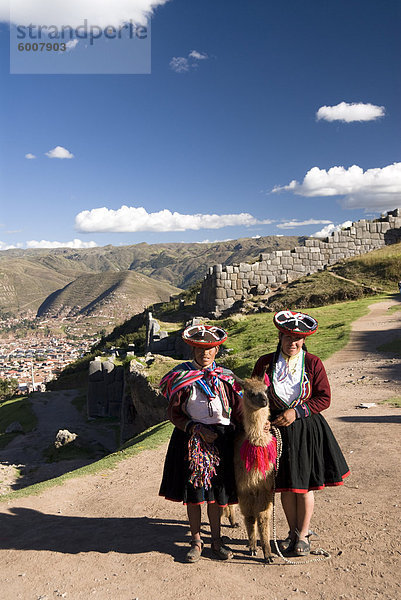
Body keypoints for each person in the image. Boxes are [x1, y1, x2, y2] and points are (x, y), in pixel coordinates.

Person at [252, 310, 350, 556]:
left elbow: (324, 398)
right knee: (286, 485)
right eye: (287, 337)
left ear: (304, 340)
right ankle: (292, 532)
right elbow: (252, 398)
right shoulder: (265, 363)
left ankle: (304, 534)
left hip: (306, 430)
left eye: (297, 339)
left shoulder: (313, 363)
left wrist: (298, 412)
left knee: (303, 486)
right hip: (277, 432)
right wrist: (262, 421)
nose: (292, 343)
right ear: (279, 336)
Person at [159, 324, 243, 563]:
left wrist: (253, 429)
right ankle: (196, 540)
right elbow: (174, 413)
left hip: (222, 440)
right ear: (192, 349)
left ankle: (216, 540)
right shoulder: (182, 377)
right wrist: (195, 428)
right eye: (199, 348)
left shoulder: (226, 378)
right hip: (191, 439)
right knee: (194, 493)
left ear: (217, 350)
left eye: (209, 349)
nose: (204, 353)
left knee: (217, 493)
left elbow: (238, 410)